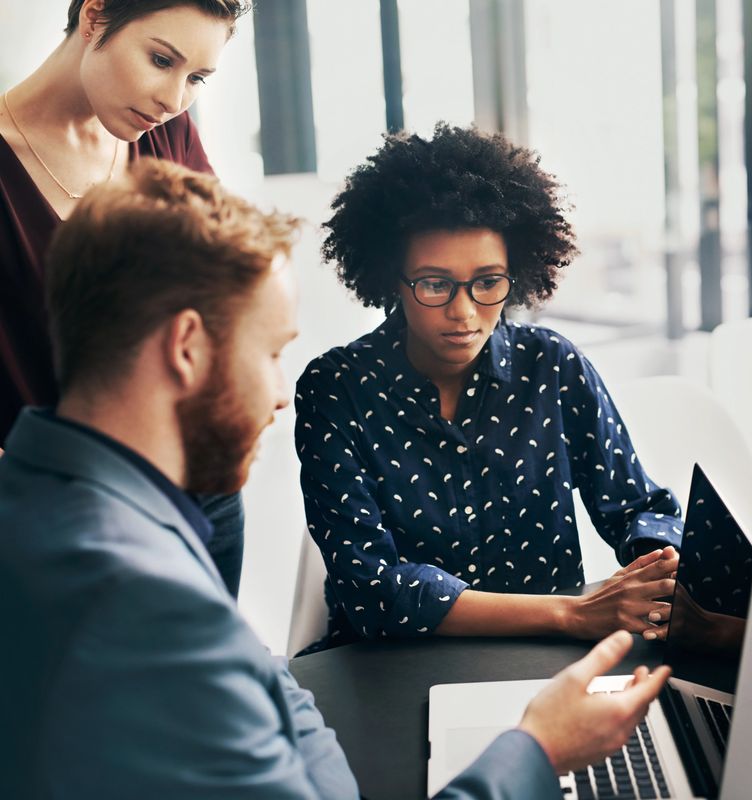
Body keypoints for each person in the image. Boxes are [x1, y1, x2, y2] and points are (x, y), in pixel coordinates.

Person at [0, 159, 671, 799]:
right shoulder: (148, 601)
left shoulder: (77, 509)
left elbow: (267, 686)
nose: (280, 394)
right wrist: (538, 750)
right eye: (270, 353)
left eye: (486, 282)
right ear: (186, 348)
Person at [294, 124, 682, 651]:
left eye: (487, 282)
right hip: (391, 666)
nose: (464, 312)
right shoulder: (336, 389)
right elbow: (373, 590)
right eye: (434, 284)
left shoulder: (552, 365)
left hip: (544, 665)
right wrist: (574, 613)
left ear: (515, 274)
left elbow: (638, 508)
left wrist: (659, 565)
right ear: (392, 279)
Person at [0, 0, 249, 595]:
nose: (173, 98)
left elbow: (227, 286)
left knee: (207, 683)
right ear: (94, 16)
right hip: (59, 519)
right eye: (161, 59)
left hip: (195, 489)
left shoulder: (168, 137)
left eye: (196, 78)